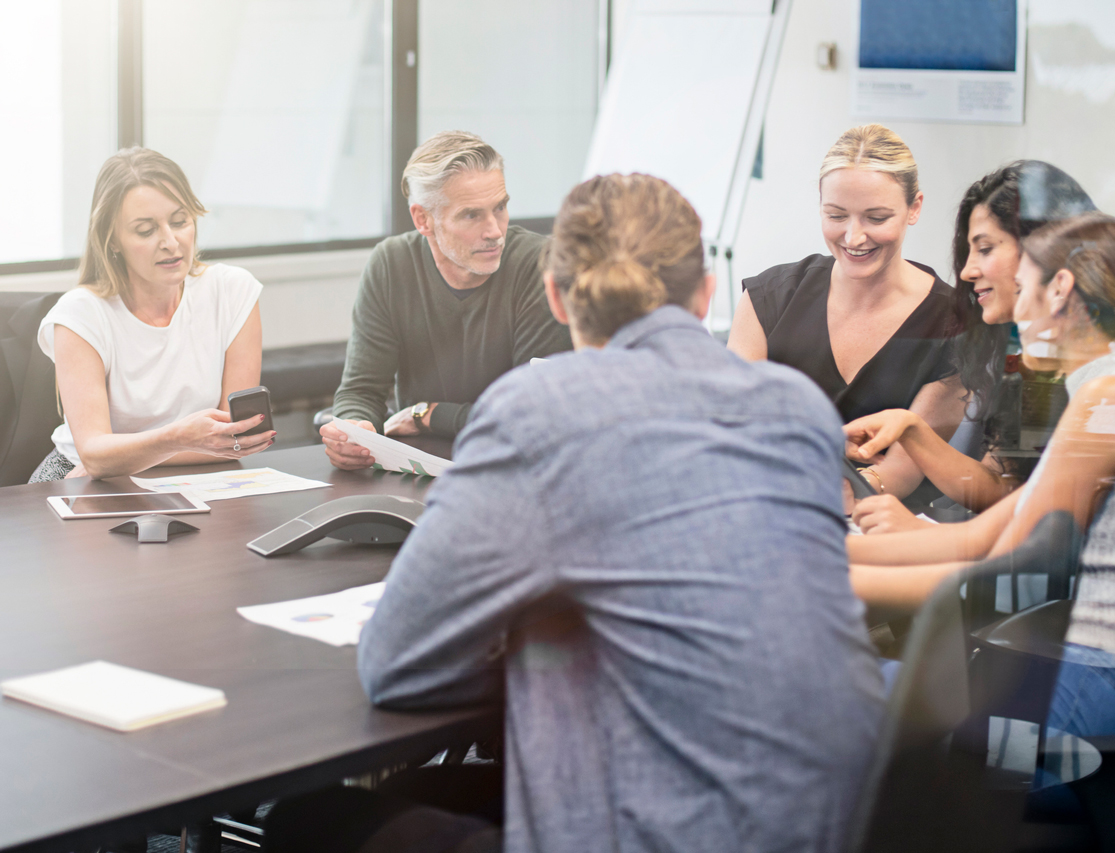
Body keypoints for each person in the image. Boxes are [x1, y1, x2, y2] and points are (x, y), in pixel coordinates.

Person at [269, 174, 885, 853]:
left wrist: (539, 636)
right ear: (707, 293)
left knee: (308, 821)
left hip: (661, 828)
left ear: (557, 297)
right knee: (458, 787)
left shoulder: (541, 408)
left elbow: (397, 663)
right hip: (834, 820)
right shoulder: (796, 406)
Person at [847, 212, 1115, 742]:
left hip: (1083, 702)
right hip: (1070, 677)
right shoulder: (1103, 391)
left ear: (1058, 289)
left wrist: (828, 580)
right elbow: (983, 537)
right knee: (838, 697)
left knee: (828, 703)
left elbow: (1003, 572)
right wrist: (825, 552)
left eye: (1021, 284)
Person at [844, 161, 1096, 533]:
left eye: (986, 249)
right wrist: (913, 431)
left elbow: (1047, 536)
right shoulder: (1035, 357)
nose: (966, 271)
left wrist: (921, 534)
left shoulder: (1102, 375)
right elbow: (1001, 487)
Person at [727, 123, 965, 506]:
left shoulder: (954, 323)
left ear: (914, 208)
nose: (854, 238)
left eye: (876, 218)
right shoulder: (768, 299)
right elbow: (735, 432)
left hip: (888, 530)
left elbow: (902, 470)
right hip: (766, 510)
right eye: (837, 216)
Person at [320, 131, 572, 470]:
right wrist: (355, 430)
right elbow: (360, 390)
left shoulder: (539, 265)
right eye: (472, 215)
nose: (494, 230)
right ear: (423, 219)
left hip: (516, 467)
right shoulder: (391, 263)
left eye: (500, 208)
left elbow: (530, 417)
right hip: (419, 467)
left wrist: (431, 414)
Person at [29, 148, 273, 482]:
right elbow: (93, 454)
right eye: (146, 230)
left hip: (194, 475)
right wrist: (179, 440)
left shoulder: (233, 291)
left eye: (180, 221)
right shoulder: (79, 314)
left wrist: (125, 457)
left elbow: (232, 437)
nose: (171, 242)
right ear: (112, 240)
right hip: (77, 476)